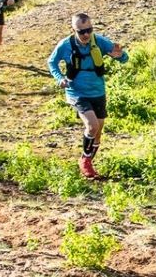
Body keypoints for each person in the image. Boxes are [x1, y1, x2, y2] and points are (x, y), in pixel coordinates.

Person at [47, 12, 127, 181]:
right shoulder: (65, 45)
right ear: (73, 30)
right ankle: (84, 161)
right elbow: (52, 62)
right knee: (92, 126)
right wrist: (59, 78)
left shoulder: (99, 41)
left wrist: (120, 55)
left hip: (98, 90)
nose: (85, 35)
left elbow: (123, 57)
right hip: (77, 91)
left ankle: (89, 160)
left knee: (98, 131)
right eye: (81, 31)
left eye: (88, 30)